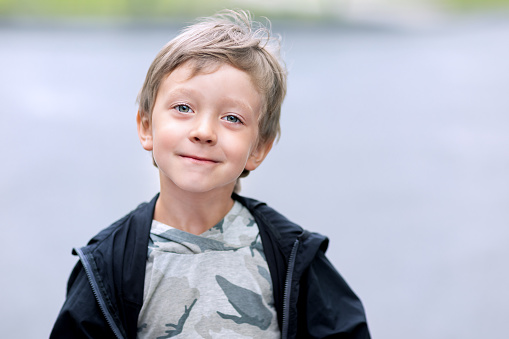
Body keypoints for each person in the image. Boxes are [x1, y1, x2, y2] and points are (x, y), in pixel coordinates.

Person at [50, 9, 370, 339]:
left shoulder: (291, 256)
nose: (204, 132)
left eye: (232, 118)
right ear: (146, 126)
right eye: (184, 108)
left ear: (259, 148)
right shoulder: (106, 265)